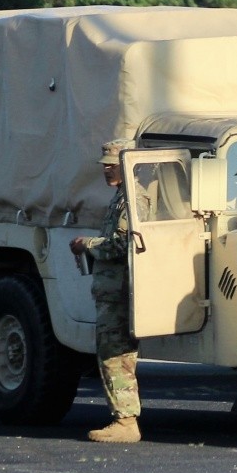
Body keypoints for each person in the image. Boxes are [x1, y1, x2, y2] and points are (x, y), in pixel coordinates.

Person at [69, 139, 143, 443]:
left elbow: (123, 244)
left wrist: (87, 244)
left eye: (112, 164)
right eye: (105, 164)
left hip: (120, 292)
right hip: (113, 291)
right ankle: (124, 419)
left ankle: (126, 422)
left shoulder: (133, 200)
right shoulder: (122, 197)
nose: (106, 169)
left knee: (115, 354)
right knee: (113, 353)